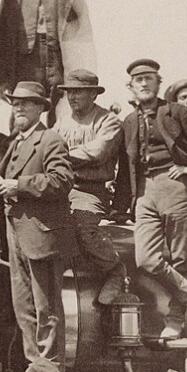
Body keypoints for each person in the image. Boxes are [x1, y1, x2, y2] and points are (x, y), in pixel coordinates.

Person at [121, 58, 187, 339]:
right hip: (144, 191)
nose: (144, 84)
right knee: (147, 260)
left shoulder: (177, 111)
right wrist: (121, 207)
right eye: (138, 80)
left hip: (174, 185)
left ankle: (176, 321)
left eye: (149, 79)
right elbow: (125, 166)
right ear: (130, 87)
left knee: (181, 260)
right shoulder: (129, 121)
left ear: (158, 83)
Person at [0, 82, 73, 372]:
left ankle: (50, 366)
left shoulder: (50, 139)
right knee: (23, 305)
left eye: (26, 103)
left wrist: (19, 185)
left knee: (45, 307)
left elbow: (62, 181)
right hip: (16, 234)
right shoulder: (17, 142)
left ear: (41, 108)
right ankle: (34, 367)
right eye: (15, 103)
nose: (19, 108)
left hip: (41, 234)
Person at [50, 71, 133, 305]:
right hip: (60, 189)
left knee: (83, 225)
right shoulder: (62, 123)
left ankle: (115, 270)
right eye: (69, 92)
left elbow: (97, 152)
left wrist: (58, 157)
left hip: (91, 190)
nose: (72, 97)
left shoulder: (108, 121)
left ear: (93, 95)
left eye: (78, 91)